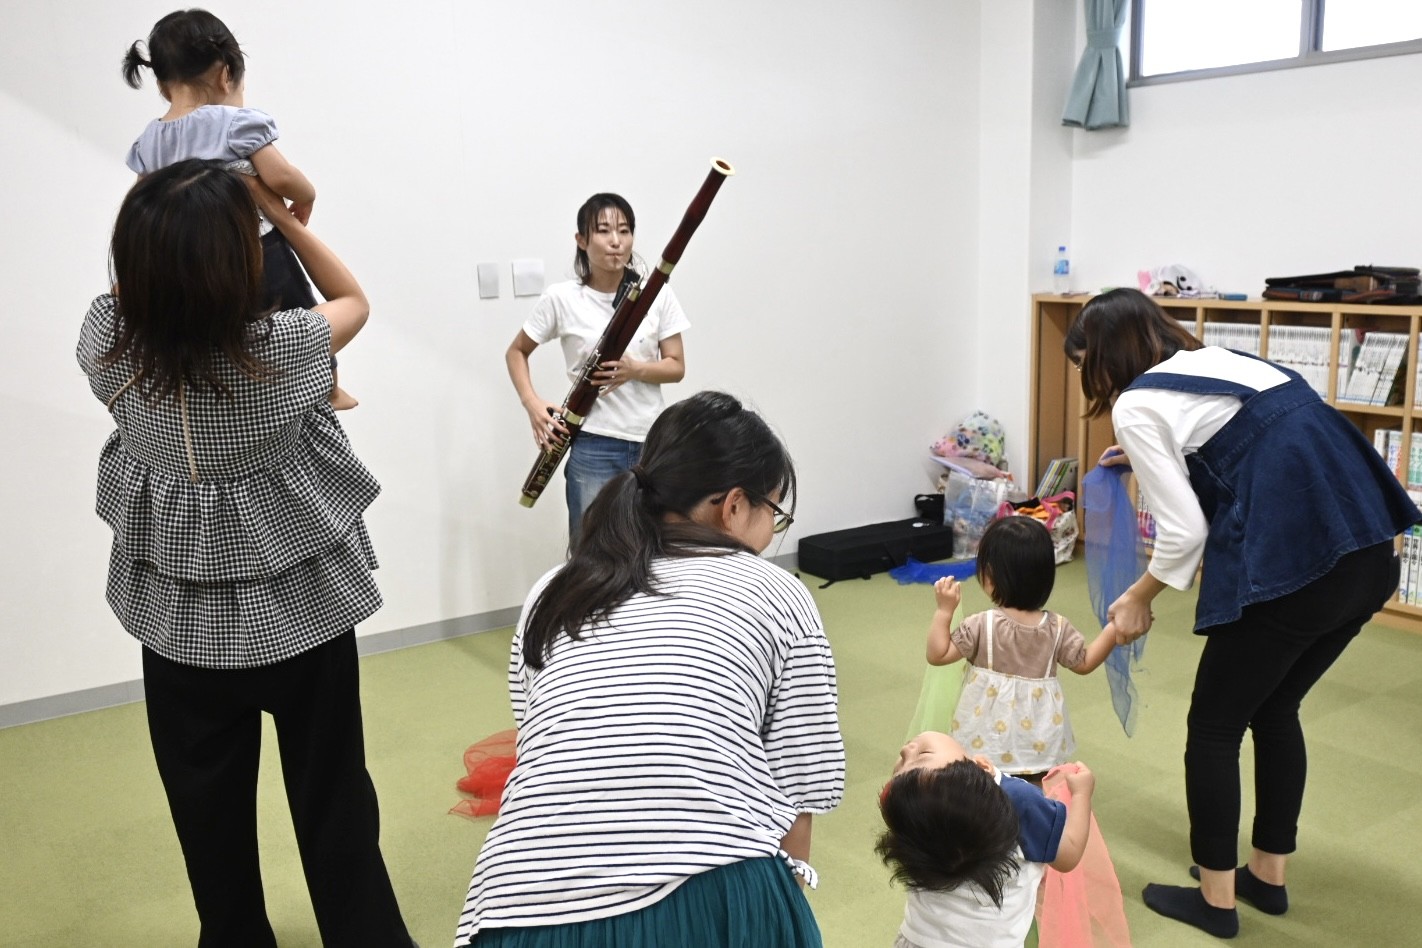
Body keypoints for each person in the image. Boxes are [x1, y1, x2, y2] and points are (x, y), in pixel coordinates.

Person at [77, 159, 411, 946]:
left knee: (205, 812)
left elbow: (130, 286)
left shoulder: (109, 344)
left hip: (179, 626)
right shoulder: (281, 347)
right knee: (334, 798)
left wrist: (163, 223)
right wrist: (282, 215)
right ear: (237, 259)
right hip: (303, 614)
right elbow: (354, 301)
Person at [1065, 287, 1420, 938]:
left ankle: (1217, 900)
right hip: (1369, 553)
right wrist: (1144, 458)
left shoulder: (1138, 403)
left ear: (1106, 357)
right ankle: (1267, 876)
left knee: (1214, 727)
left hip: (1296, 570)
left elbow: (1183, 533)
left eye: (1087, 364)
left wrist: (1137, 598)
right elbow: (1251, 451)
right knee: (1275, 708)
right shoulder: (1230, 361)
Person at [454, 391, 845, 947]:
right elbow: (802, 781)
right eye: (773, 512)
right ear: (733, 505)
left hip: (515, 901)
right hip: (712, 888)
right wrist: (782, 908)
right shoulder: (778, 591)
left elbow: (537, 729)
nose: (769, 533)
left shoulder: (554, 591)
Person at [122, 8, 357, 410]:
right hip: (257, 247)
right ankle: (328, 384)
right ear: (225, 74)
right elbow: (281, 177)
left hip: (186, 258)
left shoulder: (149, 140)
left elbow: (142, 200)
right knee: (301, 310)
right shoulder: (234, 124)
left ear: (162, 86)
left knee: (220, 323)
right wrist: (307, 195)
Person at [505, 192, 689, 547]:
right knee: (593, 551)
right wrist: (532, 404)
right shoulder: (561, 298)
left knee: (654, 548)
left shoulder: (656, 294)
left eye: (624, 230)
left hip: (653, 441)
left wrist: (634, 369)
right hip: (594, 443)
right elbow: (516, 352)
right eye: (604, 231)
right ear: (581, 240)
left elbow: (676, 366)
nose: (616, 241)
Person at [918, 516, 1117, 780]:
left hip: (984, 738)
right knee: (1035, 789)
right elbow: (1085, 662)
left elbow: (937, 654)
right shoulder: (1057, 628)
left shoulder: (982, 625)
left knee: (983, 792)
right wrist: (1115, 629)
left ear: (989, 576)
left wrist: (944, 611)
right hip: (1038, 741)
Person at [877, 731, 1096, 948]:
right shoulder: (1019, 802)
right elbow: (1069, 852)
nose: (905, 750)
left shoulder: (909, 815)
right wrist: (1081, 795)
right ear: (982, 766)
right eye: (924, 753)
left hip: (916, 940)